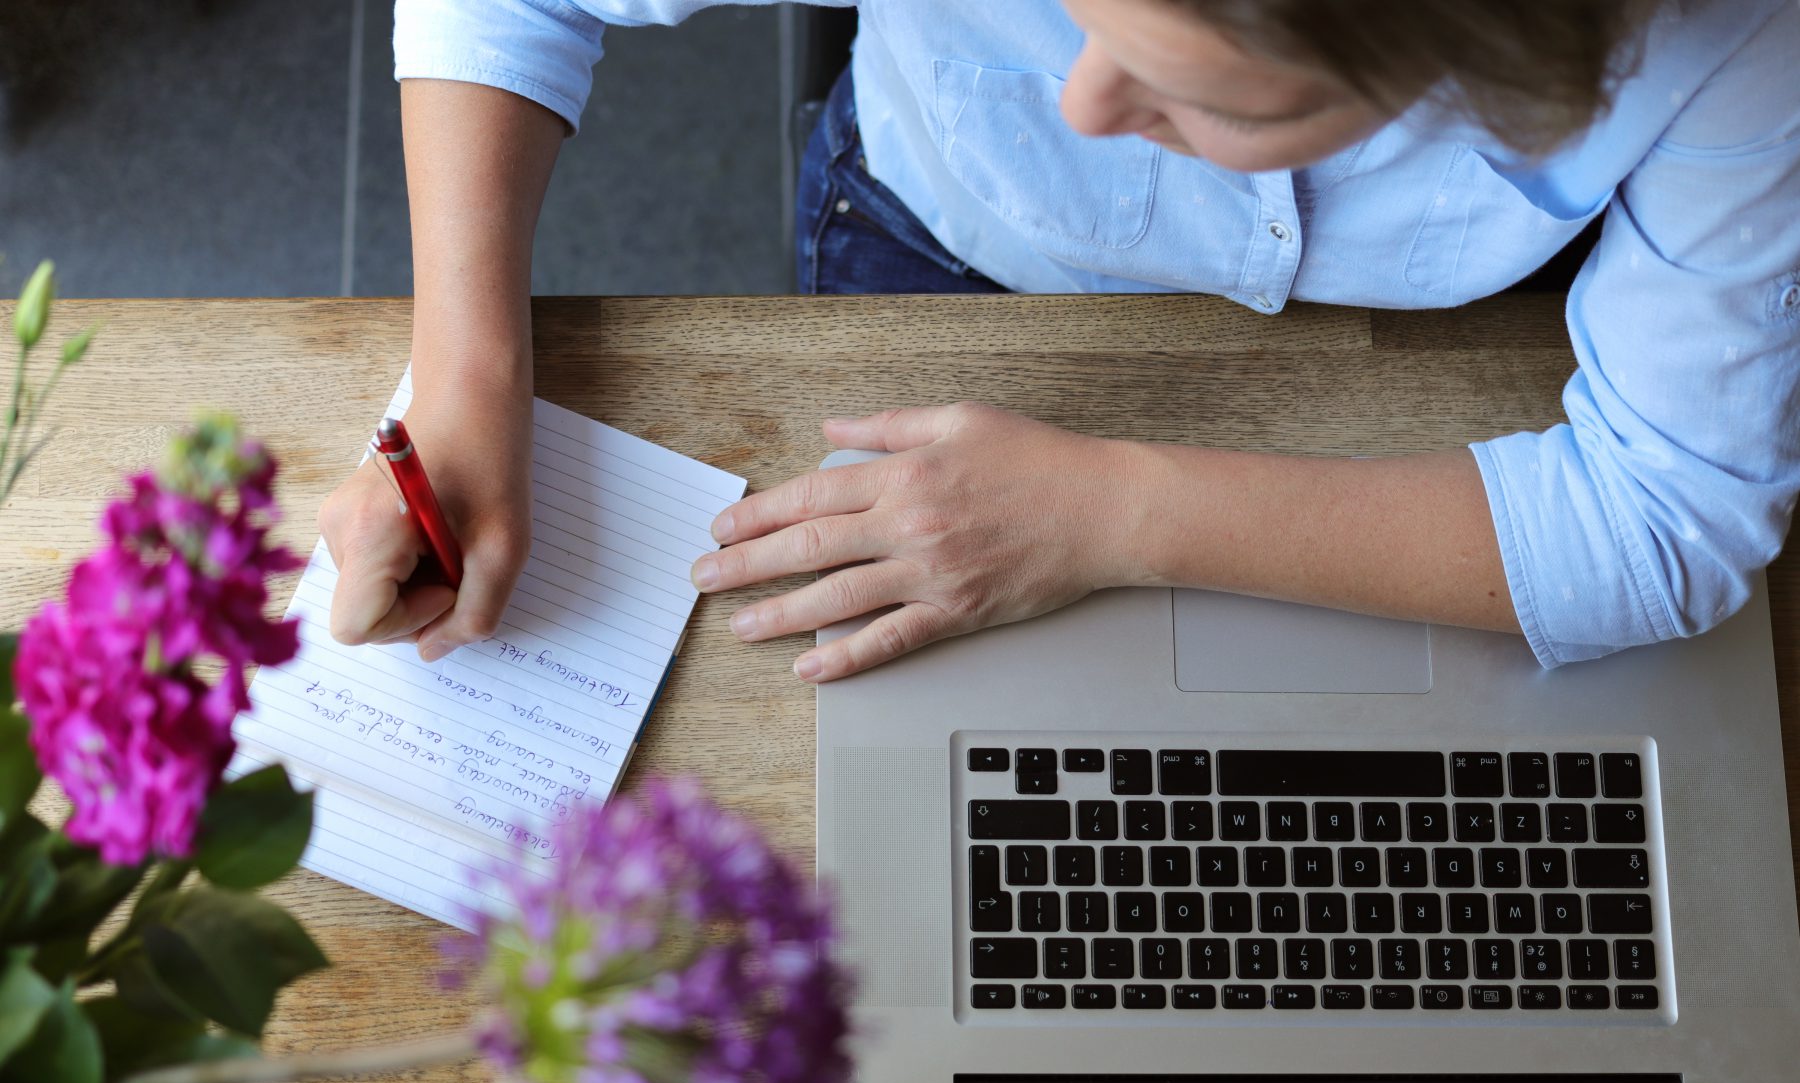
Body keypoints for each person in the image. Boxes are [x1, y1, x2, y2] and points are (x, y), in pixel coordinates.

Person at [320, 0, 1800, 685]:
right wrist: (464, 375)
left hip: (1451, 337)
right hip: (945, 243)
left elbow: (1670, 508)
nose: (1082, 104)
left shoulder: (1728, 38)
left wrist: (1109, 512)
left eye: (1207, 94)